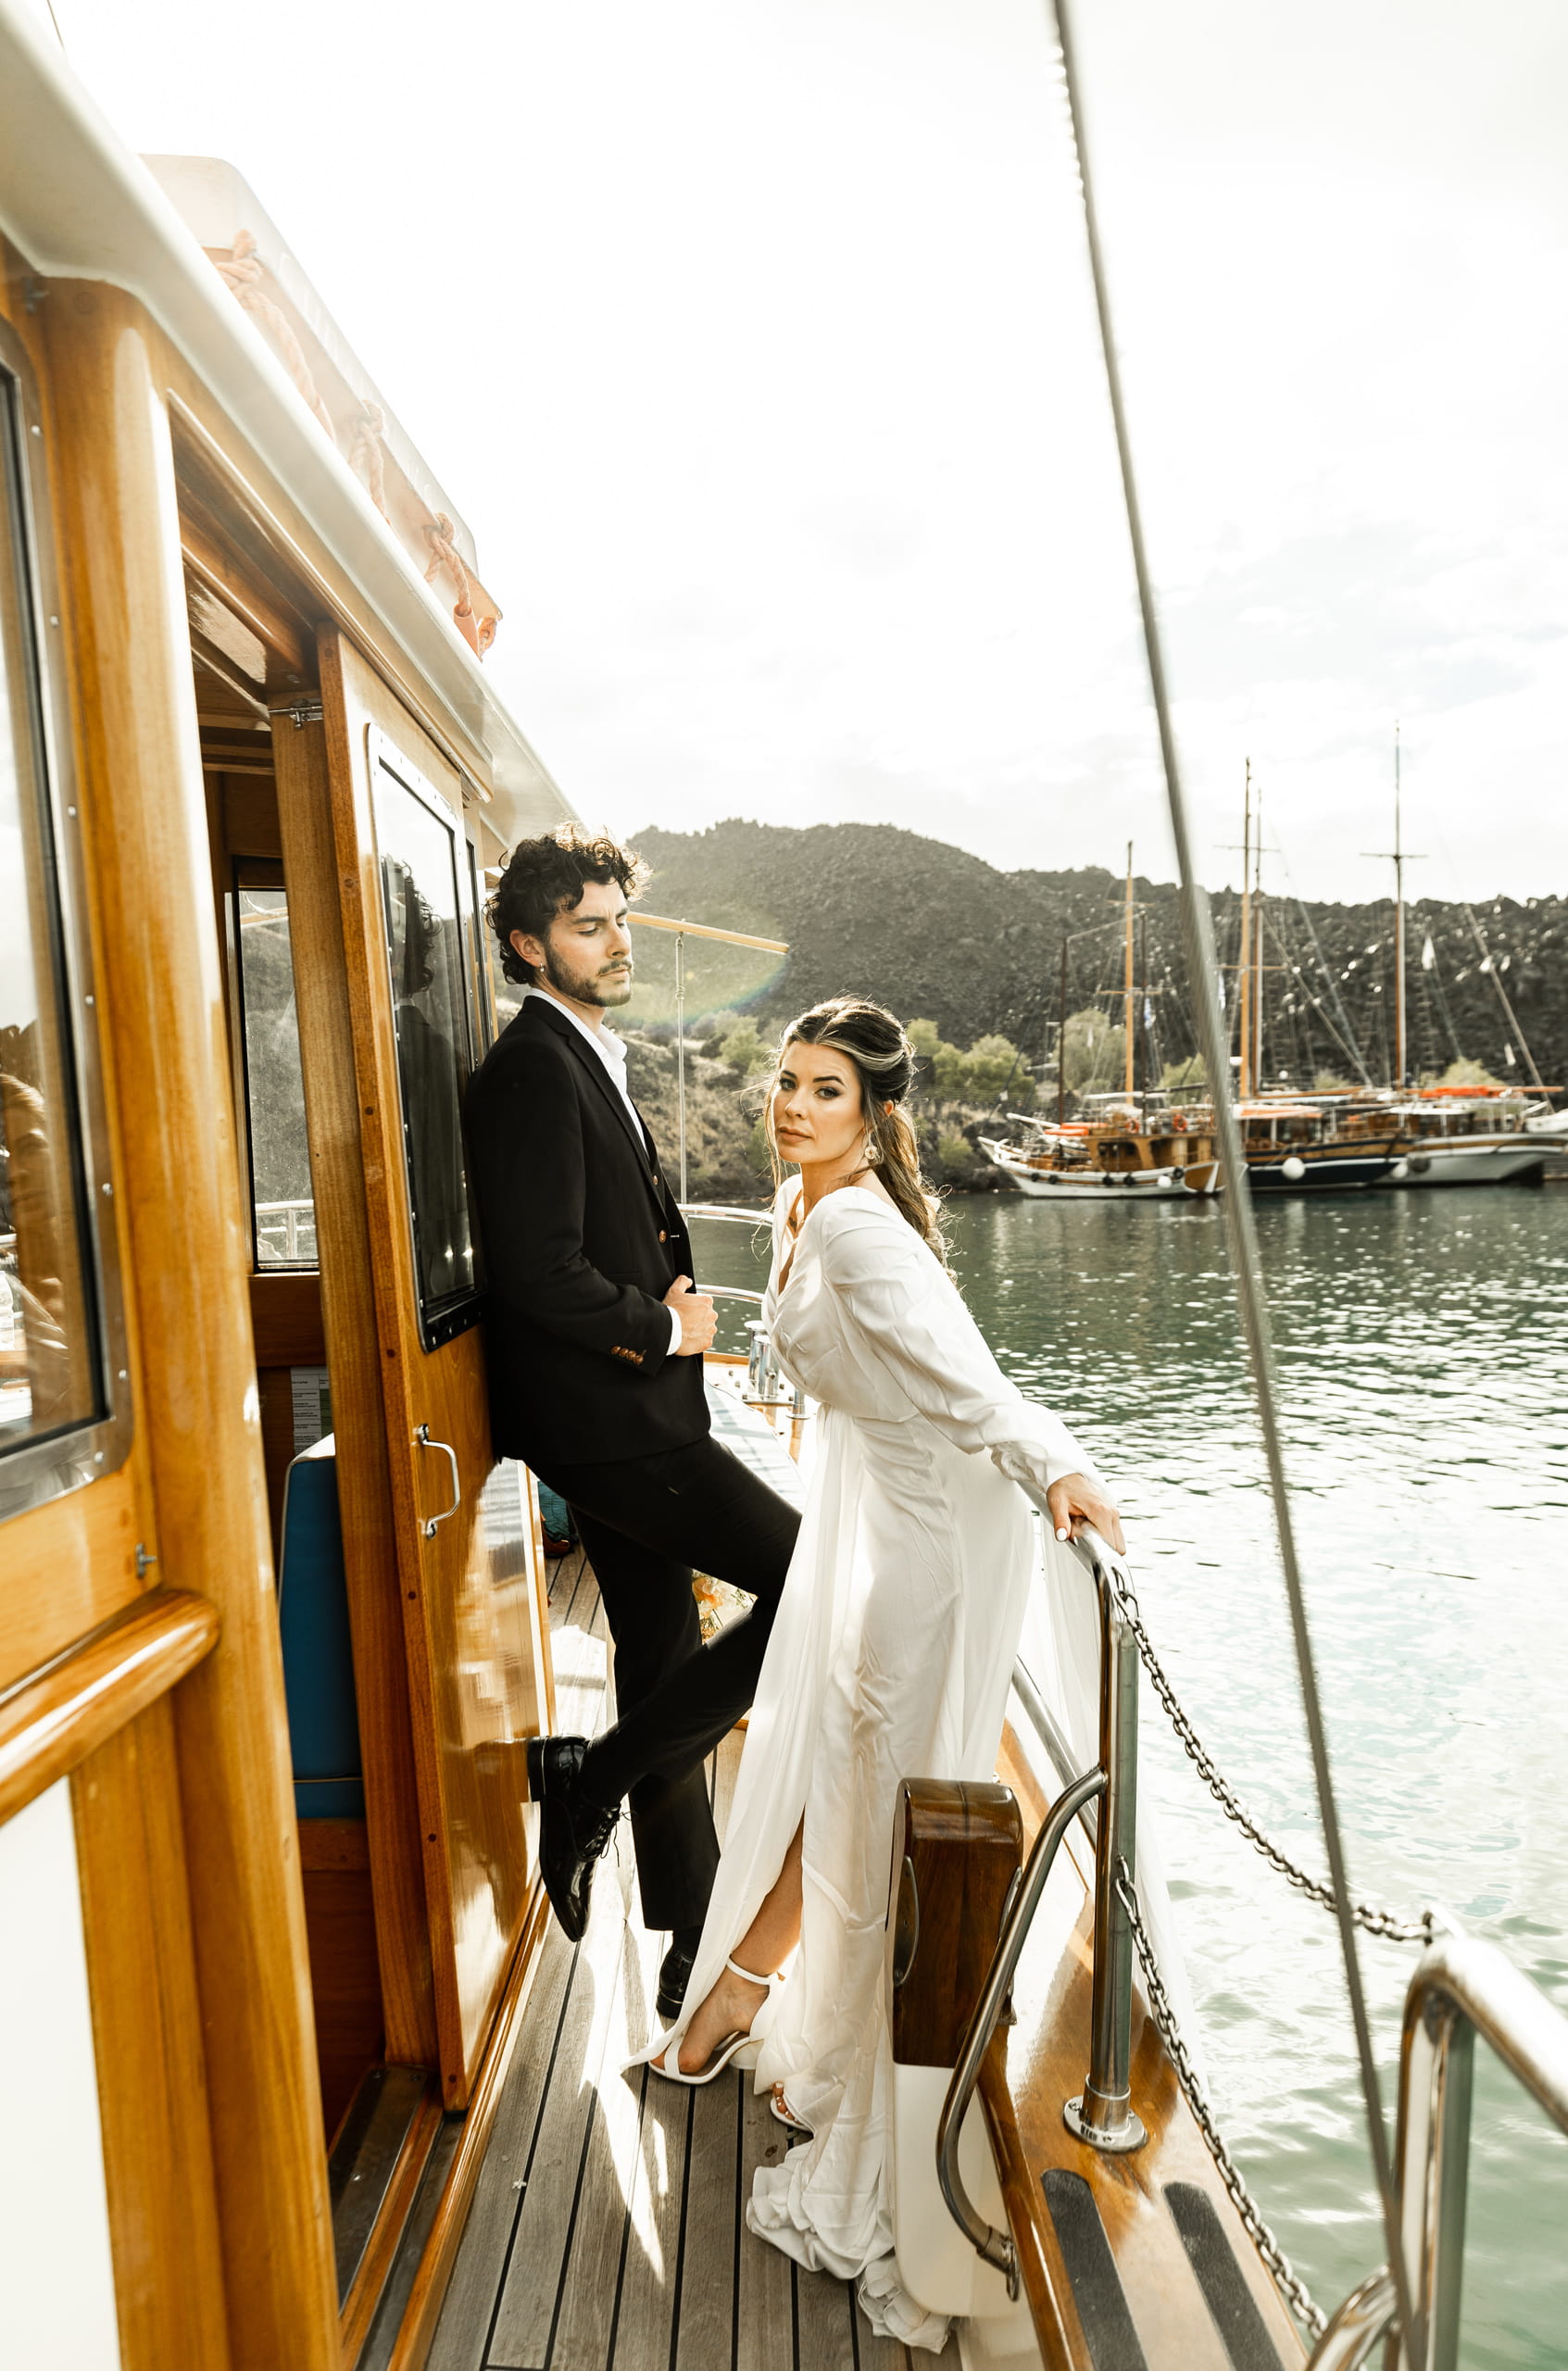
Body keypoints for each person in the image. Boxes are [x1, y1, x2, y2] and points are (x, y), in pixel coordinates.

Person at [643, 997, 1122, 2350]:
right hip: (891, 1547)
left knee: (879, 1807)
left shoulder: (852, 1226)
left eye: (827, 1091)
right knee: (852, 1799)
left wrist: (1057, 1468)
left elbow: (968, 1383)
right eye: (786, 1083)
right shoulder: (807, 1214)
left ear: (876, 1114)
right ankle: (755, 2016)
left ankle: (787, 2044)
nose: (794, 1106)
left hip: (932, 1559)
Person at [464, 826, 801, 2020]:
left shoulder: (587, 1051)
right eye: (587, 925)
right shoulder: (532, 1072)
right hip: (615, 1425)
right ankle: (588, 1781)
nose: (616, 944)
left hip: (637, 1415)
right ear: (527, 945)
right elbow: (540, 1271)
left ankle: (687, 1939)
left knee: (660, 1658)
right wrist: (666, 1333)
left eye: (620, 920)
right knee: (812, 1582)